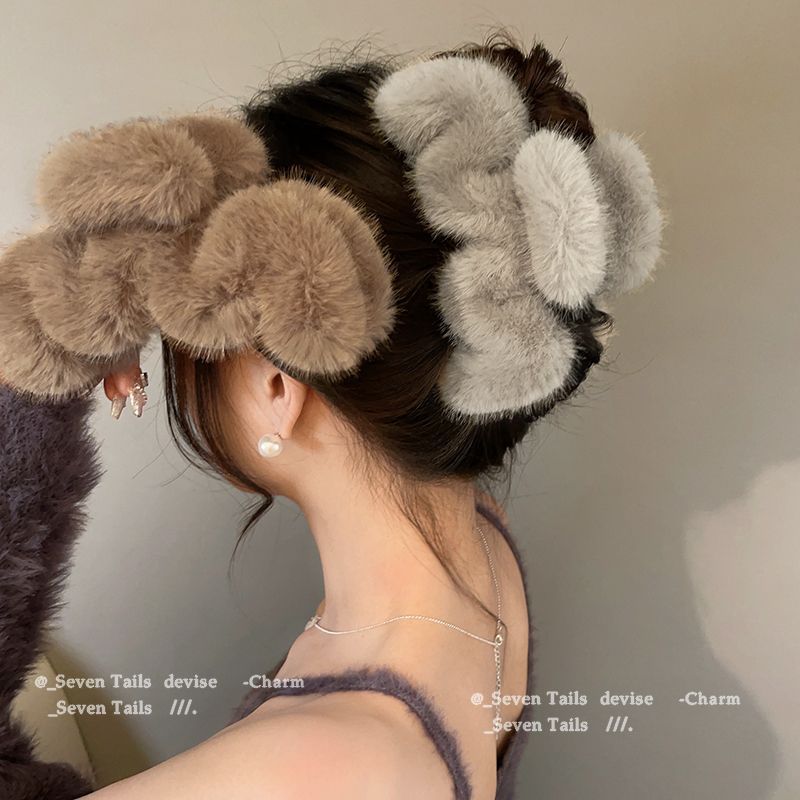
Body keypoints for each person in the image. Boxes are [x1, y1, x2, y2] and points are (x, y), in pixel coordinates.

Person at [0, 32, 662, 800]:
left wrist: (31, 375)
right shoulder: (481, 548)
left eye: (190, 335)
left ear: (278, 387)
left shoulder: (308, 767)